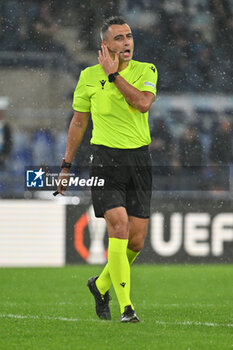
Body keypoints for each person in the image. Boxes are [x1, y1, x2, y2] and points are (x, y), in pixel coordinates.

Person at [56, 16, 158, 322]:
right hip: (104, 161)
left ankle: (100, 285)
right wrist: (66, 165)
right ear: (105, 45)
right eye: (118, 38)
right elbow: (78, 122)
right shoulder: (87, 77)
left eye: (129, 36)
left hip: (139, 160)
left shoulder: (146, 70)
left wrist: (115, 77)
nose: (126, 42)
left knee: (136, 241)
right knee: (119, 227)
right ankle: (127, 308)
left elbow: (142, 103)